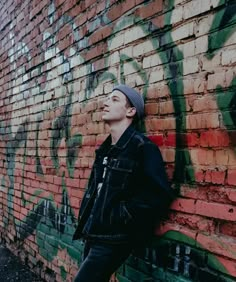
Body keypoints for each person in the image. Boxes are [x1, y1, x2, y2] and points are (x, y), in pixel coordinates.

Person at [73, 84, 176, 282]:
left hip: (115, 237)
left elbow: (158, 194)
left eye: (114, 99)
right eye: (107, 99)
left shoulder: (142, 148)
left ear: (131, 111)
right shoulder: (105, 149)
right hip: (94, 231)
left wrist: (120, 214)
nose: (105, 103)